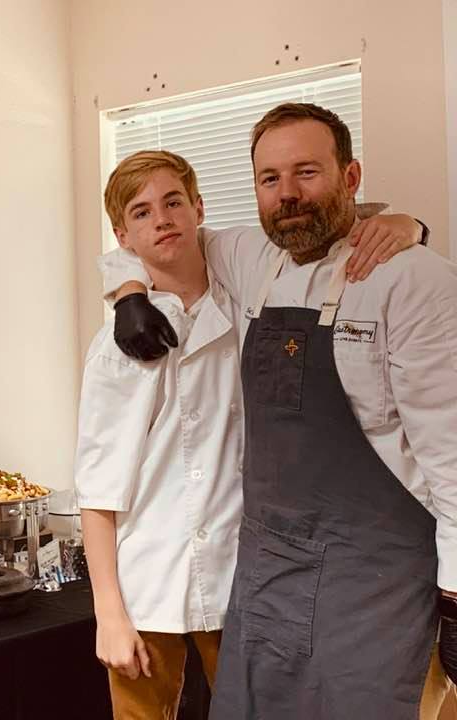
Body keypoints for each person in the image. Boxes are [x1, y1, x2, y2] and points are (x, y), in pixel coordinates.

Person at [100, 102, 457, 719]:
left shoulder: (413, 279)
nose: (287, 194)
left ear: (351, 178)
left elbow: (451, 461)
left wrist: (454, 600)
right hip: (267, 573)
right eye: (270, 179)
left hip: (373, 581)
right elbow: (160, 237)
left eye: (307, 172)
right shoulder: (250, 259)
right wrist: (128, 292)